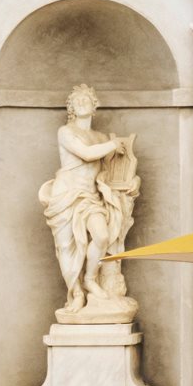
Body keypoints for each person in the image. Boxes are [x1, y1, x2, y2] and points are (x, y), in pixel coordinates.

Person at [39, 83, 140, 323]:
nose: (82, 102)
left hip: (90, 195)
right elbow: (85, 153)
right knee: (66, 248)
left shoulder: (101, 137)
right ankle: (75, 294)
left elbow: (114, 170)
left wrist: (133, 180)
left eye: (86, 99)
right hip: (66, 195)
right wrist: (113, 145)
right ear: (71, 108)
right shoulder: (66, 131)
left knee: (102, 236)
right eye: (77, 100)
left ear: (95, 105)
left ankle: (90, 279)